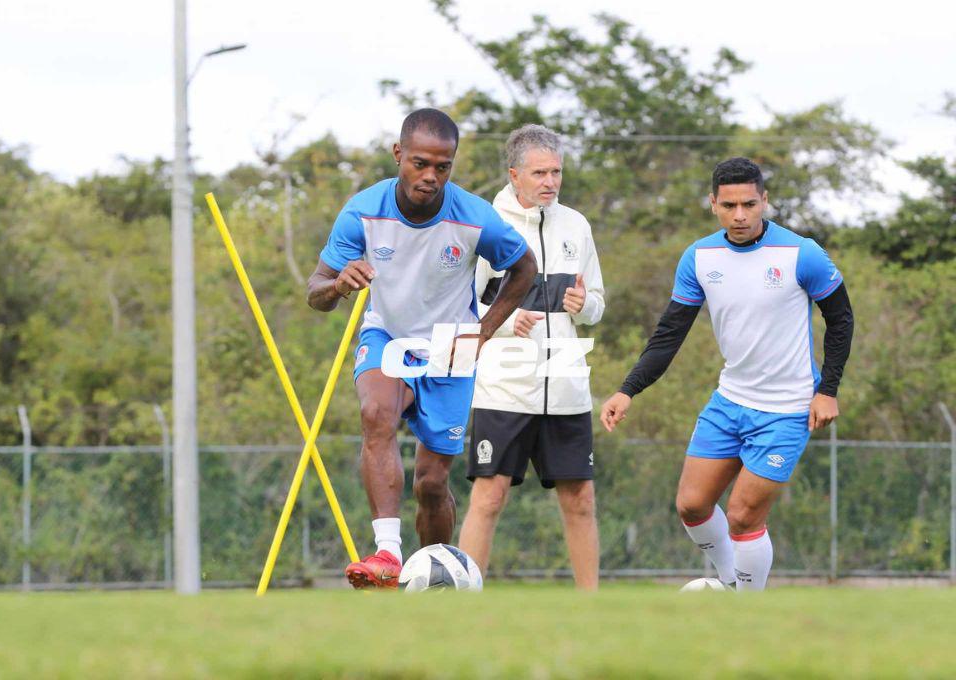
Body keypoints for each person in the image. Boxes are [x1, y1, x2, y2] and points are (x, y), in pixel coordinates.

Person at [307, 108, 538, 589]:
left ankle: (436, 576)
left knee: (431, 485)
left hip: (451, 346)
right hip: (387, 334)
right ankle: (387, 555)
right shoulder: (362, 212)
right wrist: (336, 287)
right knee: (376, 412)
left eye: (442, 166)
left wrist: (485, 331)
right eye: (419, 163)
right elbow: (316, 292)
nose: (430, 176)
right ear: (398, 155)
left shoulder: (476, 218)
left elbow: (525, 270)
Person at [600, 157, 854, 591]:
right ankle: (730, 584)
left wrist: (827, 390)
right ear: (713, 204)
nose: (740, 215)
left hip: (787, 409)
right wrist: (628, 390)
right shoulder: (699, 258)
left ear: (765, 202)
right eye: (730, 205)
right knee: (692, 506)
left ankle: (746, 611)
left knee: (742, 515)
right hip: (730, 401)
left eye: (750, 205)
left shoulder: (802, 253)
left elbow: (842, 319)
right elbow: (669, 335)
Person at [457, 124, 605, 589]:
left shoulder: (576, 225)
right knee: (489, 496)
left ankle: (592, 607)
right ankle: (465, 599)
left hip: (565, 389)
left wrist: (587, 307)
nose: (550, 182)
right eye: (540, 172)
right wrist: (500, 319)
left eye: (556, 172)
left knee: (580, 499)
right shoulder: (485, 224)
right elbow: (460, 305)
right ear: (514, 174)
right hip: (503, 387)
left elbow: (596, 302)